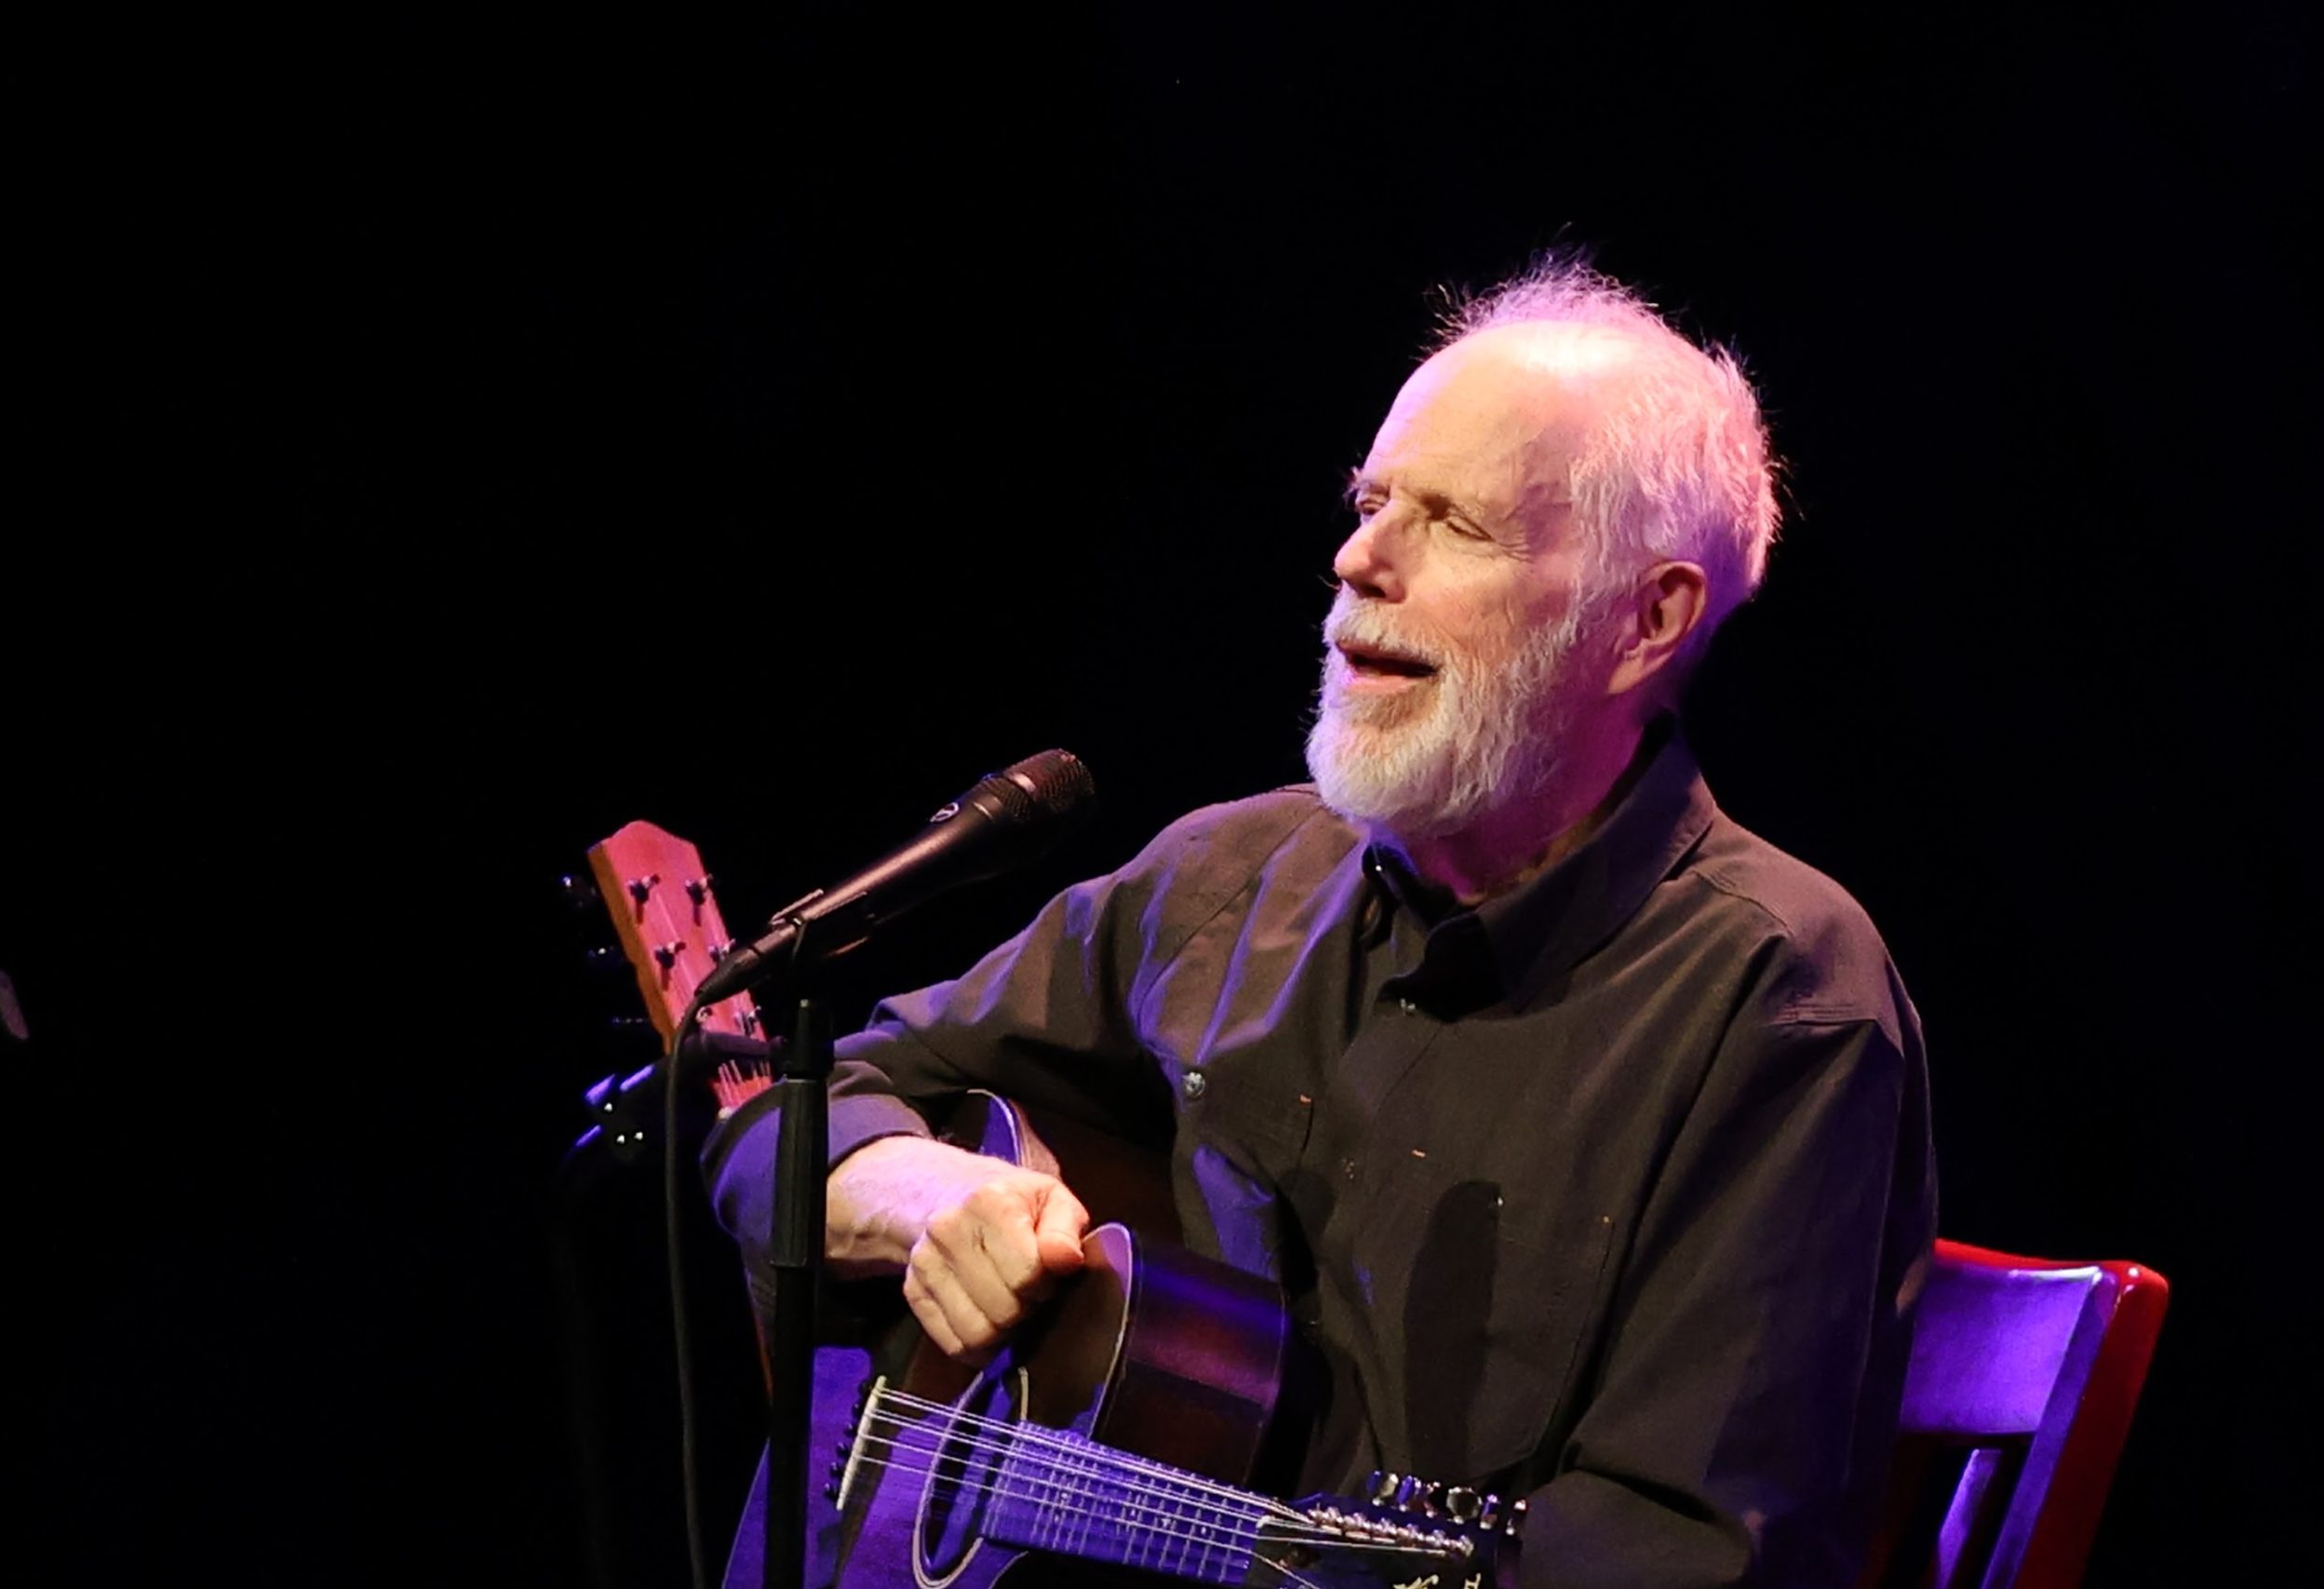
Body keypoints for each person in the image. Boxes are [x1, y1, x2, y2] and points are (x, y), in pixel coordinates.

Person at [705, 258, 1936, 1588]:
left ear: (1647, 621)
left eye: (1455, 523)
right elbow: (792, 1107)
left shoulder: (1777, 1000)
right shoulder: (1231, 877)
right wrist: (919, 1189)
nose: (1359, 560)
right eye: (1369, 503)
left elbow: (1689, 1557)